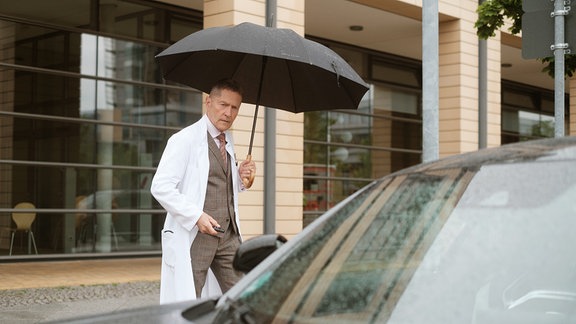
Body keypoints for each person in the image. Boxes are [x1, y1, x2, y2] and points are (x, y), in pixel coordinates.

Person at [151, 78, 256, 304]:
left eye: (235, 107)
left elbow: (217, 182)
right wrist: (195, 216)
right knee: (189, 305)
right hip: (196, 236)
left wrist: (239, 176)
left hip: (228, 236)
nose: (228, 113)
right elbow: (160, 186)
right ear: (208, 102)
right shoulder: (184, 140)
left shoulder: (228, 140)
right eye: (223, 104)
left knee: (243, 295)